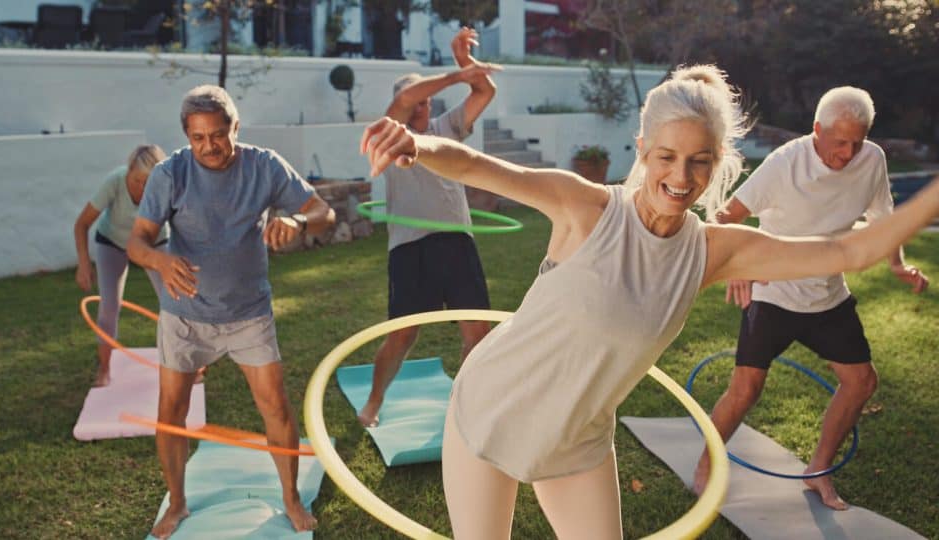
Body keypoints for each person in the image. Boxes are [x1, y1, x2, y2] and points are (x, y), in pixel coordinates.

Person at [359, 65, 939, 538]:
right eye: (666, 157)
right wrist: (416, 143)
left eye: (699, 161)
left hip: (577, 441)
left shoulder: (717, 252)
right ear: (642, 150)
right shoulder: (585, 208)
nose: (681, 177)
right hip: (489, 411)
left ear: (718, 165)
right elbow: (478, 165)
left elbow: (846, 250)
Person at [692, 86, 929, 509]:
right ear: (816, 130)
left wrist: (896, 264)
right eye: (840, 142)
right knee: (747, 388)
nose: (849, 152)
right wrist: (740, 266)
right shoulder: (785, 164)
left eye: (857, 141)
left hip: (828, 295)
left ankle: (817, 469)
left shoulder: (871, 159)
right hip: (774, 293)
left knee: (862, 381)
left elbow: (884, 220)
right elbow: (726, 217)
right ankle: (705, 469)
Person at [127, 84, 334, 538]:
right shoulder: (170, 174)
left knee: (277, 408)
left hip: (248, 312)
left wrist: (299, 221)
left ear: (234, 128)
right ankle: (177, 503)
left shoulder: (264, 166)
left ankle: (291, 498)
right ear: (187, 135)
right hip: (184, 313)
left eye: (218, 135)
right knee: (171, 413)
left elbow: (325, 212)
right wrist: (160, 260)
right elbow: (137, 241)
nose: (209, 147)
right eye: (198, 138)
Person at [357, 27, 501, 428]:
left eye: (427, 103)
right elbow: (404, 99)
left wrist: (465, 63)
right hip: (410, 246)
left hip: (455, 241)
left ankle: (468, 408)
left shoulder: (446, 128)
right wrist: (458, 77)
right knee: (403, 335)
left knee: (478, 331)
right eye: (417, 104)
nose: (421, 109)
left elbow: (485, 93)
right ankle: (372, 403)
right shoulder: (390, 134)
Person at [73, 144, 168, 387]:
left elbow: (186, 223)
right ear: (128, 172)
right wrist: (84, 264)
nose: (143, 188)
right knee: (109, 306)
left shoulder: (166, 187)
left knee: (173, 304)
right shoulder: (114, 182)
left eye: (150, 182)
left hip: (153, 243)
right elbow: (81, 224)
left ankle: (184, 366)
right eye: (138, 180)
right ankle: (104, 369)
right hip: (112, 242)